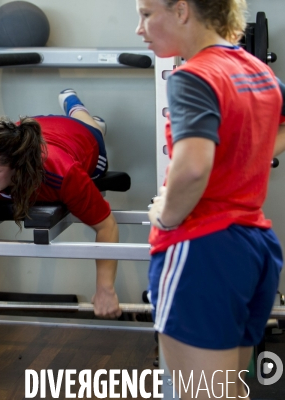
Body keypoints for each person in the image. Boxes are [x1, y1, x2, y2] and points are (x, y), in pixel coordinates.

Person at [137, 0, 285, 398]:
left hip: (201, 248)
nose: (140, 28)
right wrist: (241, 158)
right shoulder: (257, 70)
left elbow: (193, 167)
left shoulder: (193, 76)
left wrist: (166, 215)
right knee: (229, 391)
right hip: (254, 247)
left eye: (147, 14)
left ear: (182, 10)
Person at [0, 89, 122, 319]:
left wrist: (105, 289)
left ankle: (79, 110)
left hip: (77, 135)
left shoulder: (63, 174)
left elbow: (106, 226)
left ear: (18, 167)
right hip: (33, 126)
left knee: (95, 130)